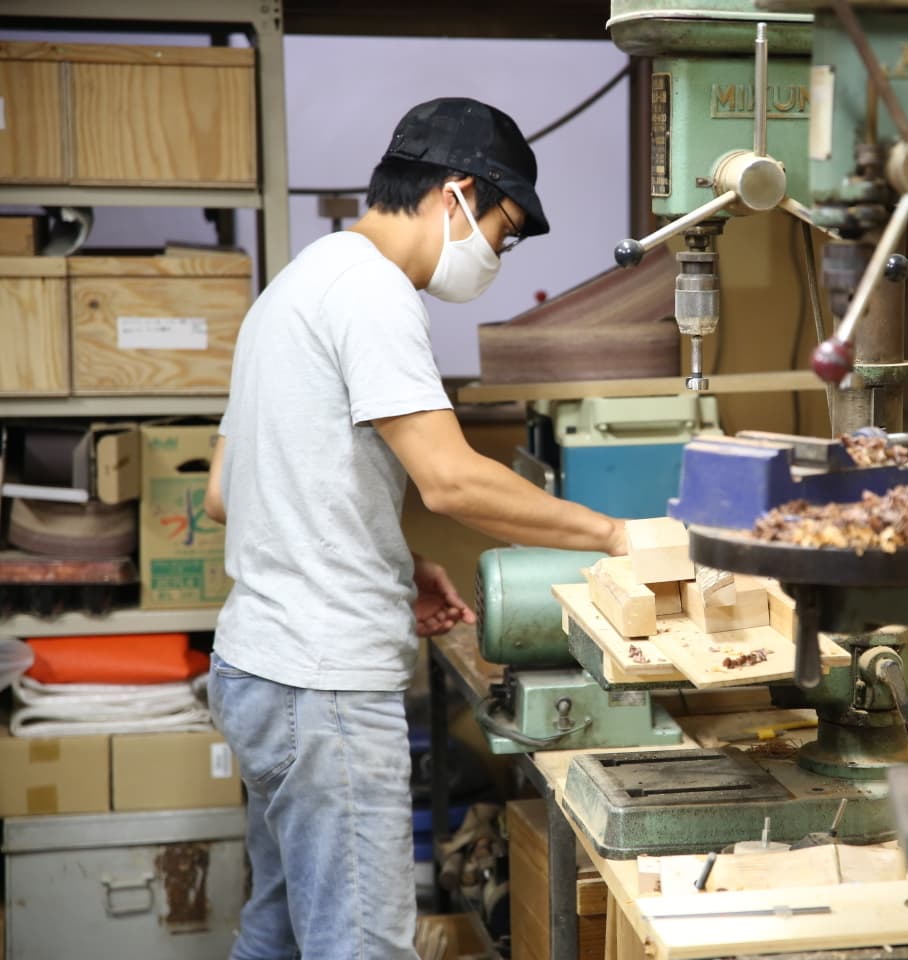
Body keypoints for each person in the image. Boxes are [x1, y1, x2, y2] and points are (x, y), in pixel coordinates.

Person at [202, 98, 626, 960]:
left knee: (277, 930)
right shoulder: (373, 292)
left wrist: (398, 563)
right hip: (323, 686)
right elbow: (450, 478)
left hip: (258, 669)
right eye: (502, 234)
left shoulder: (295, 284)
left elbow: (224, 494)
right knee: (360, 946)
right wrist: (618, 537)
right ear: (457, 193)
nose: (495, 256)